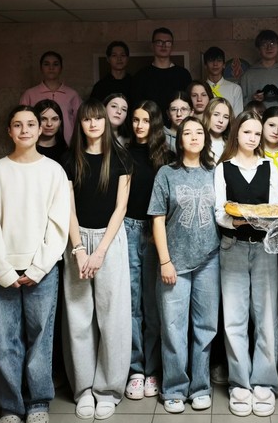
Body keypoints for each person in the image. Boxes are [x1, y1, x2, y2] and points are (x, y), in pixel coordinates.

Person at [0, 106, 71, 423]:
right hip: (1, 270)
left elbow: (58, 224)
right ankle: (10, 406)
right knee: (6, 341)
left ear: (40, 129)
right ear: (9, 131)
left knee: (40, 340)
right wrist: (3, 270)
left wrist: (38, 268)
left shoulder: (54, 171)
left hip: (42, 270)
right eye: (18, 125)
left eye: (31, 124)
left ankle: (38, 404)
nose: (25, 130)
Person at [61, 100, 132, 421]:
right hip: (76, 239)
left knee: (113, 318)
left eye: (97, 119)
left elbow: (120, 208)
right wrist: (79, 249)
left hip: (110, 240)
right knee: (78, 318)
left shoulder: (121, 157)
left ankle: (108, 389)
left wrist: (100, 251)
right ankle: (84, 389)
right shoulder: (68, 160)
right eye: (87, 120)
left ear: (105, 122)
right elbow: (68, 209)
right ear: (80, 124)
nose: (92, 124)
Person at [148, 117, 220, 414]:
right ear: (178, 140)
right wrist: (165, 260)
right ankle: (174, 388)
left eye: (199, 132)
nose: (193, 137)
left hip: (209, 259)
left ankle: (200, 387)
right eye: (187, 132)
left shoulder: (216, 173)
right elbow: (157, 218)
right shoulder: (167, 173)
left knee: (206, 326)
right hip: (174, 261)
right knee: (173, 328)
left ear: (205, 138)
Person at [214, 112, 278, 417]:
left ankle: (264, 383)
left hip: (265, 247)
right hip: (232, 247)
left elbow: (275, 208)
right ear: (236, 135)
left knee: (266, 317)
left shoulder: (270, 166)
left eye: (257, 133)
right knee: (234, 319)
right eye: (247, 132)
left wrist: (258, 217)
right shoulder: (224, 168)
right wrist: (237, 220)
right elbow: (220, 212)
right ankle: (239, 384)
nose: (253, 138)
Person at [124, 101, 172, 401]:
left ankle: (153, 369)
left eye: (145, 120)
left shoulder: (167, 157)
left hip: (156, 232)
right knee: (132, 304)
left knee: (153, 306)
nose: (139, 125)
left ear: (155, 123)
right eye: (135, 120)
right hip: (127, 229)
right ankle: (135, 370)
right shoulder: (122, 153)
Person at [20, 51, 82, 145]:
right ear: (41, 68)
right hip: (36, 146)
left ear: (61, 68)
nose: (51, 68)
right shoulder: (29, 94)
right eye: (46, 64)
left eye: (55, 64)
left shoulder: (72, 94)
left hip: (67, 146)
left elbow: (80, 122)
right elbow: (22, 121)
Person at [132, 28, 192, 117]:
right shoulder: (141, 76)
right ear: (152, 46)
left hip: (178, 124)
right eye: (159, 42)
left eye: (168, 43)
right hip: (150, 124)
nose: (164, 46)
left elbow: (189, 104)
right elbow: (136, 107)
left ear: (172, 46)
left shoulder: (183, 74)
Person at [240, 30, 278, 108]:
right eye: (264, 44)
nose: (269, 47)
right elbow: (240, 106)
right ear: (258, 49)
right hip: (256, 115)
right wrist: (253, 100)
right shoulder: (247, 75)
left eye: (272, 43)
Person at [204, 46, 244, 115]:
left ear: (224, 65)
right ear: (205, 65)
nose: (215, 64)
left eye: (219, 61)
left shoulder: (235, 89)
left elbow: (238, 117)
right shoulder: (200, 88)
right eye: (211, 61)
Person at [202, 97, 232, 164]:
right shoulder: (199, 141)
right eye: (216, 115)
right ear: (207, 115)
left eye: (226, 117)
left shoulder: (232, 145)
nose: (221, 120)